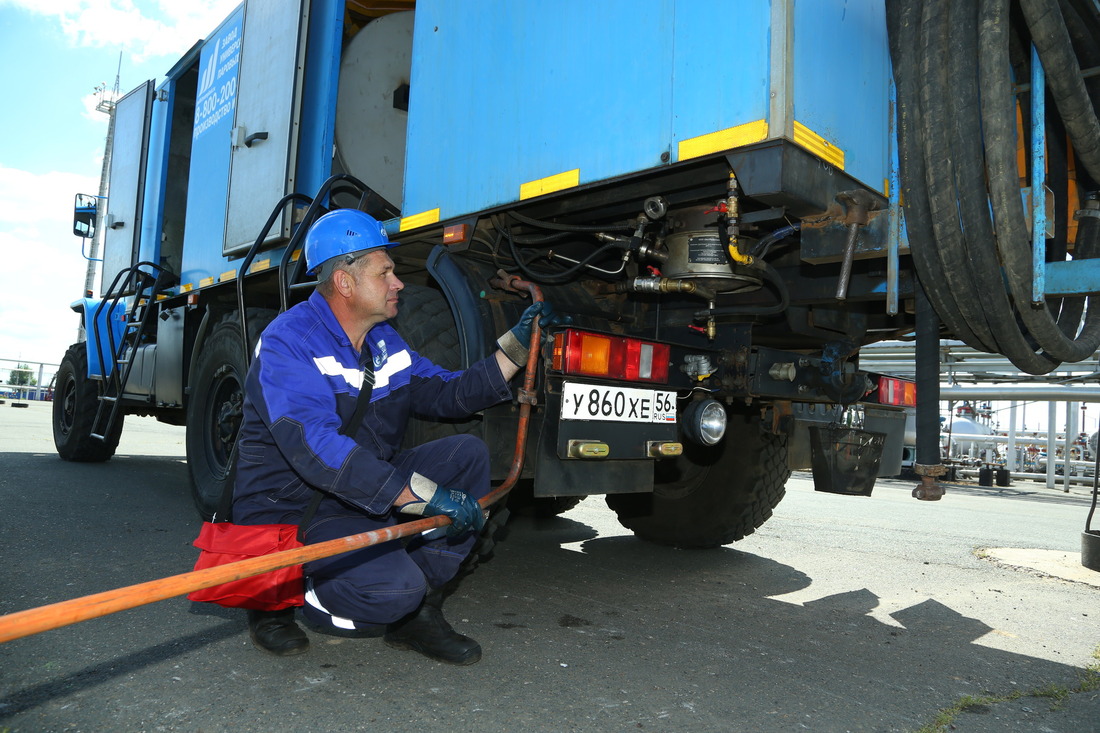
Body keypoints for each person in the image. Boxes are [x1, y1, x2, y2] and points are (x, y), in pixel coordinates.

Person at [232, 208, 561, 664]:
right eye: (384, 271)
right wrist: (412, 495)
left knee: (466, 455)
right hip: (297, 507)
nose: (398, 281)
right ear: (345, 282)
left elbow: (448, 394)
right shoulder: (289, 341)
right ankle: (286, 591)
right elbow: (315, 446)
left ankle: (418, 615)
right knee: (391, 590)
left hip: (359, 490)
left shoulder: (384, 340)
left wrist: (516, 348)